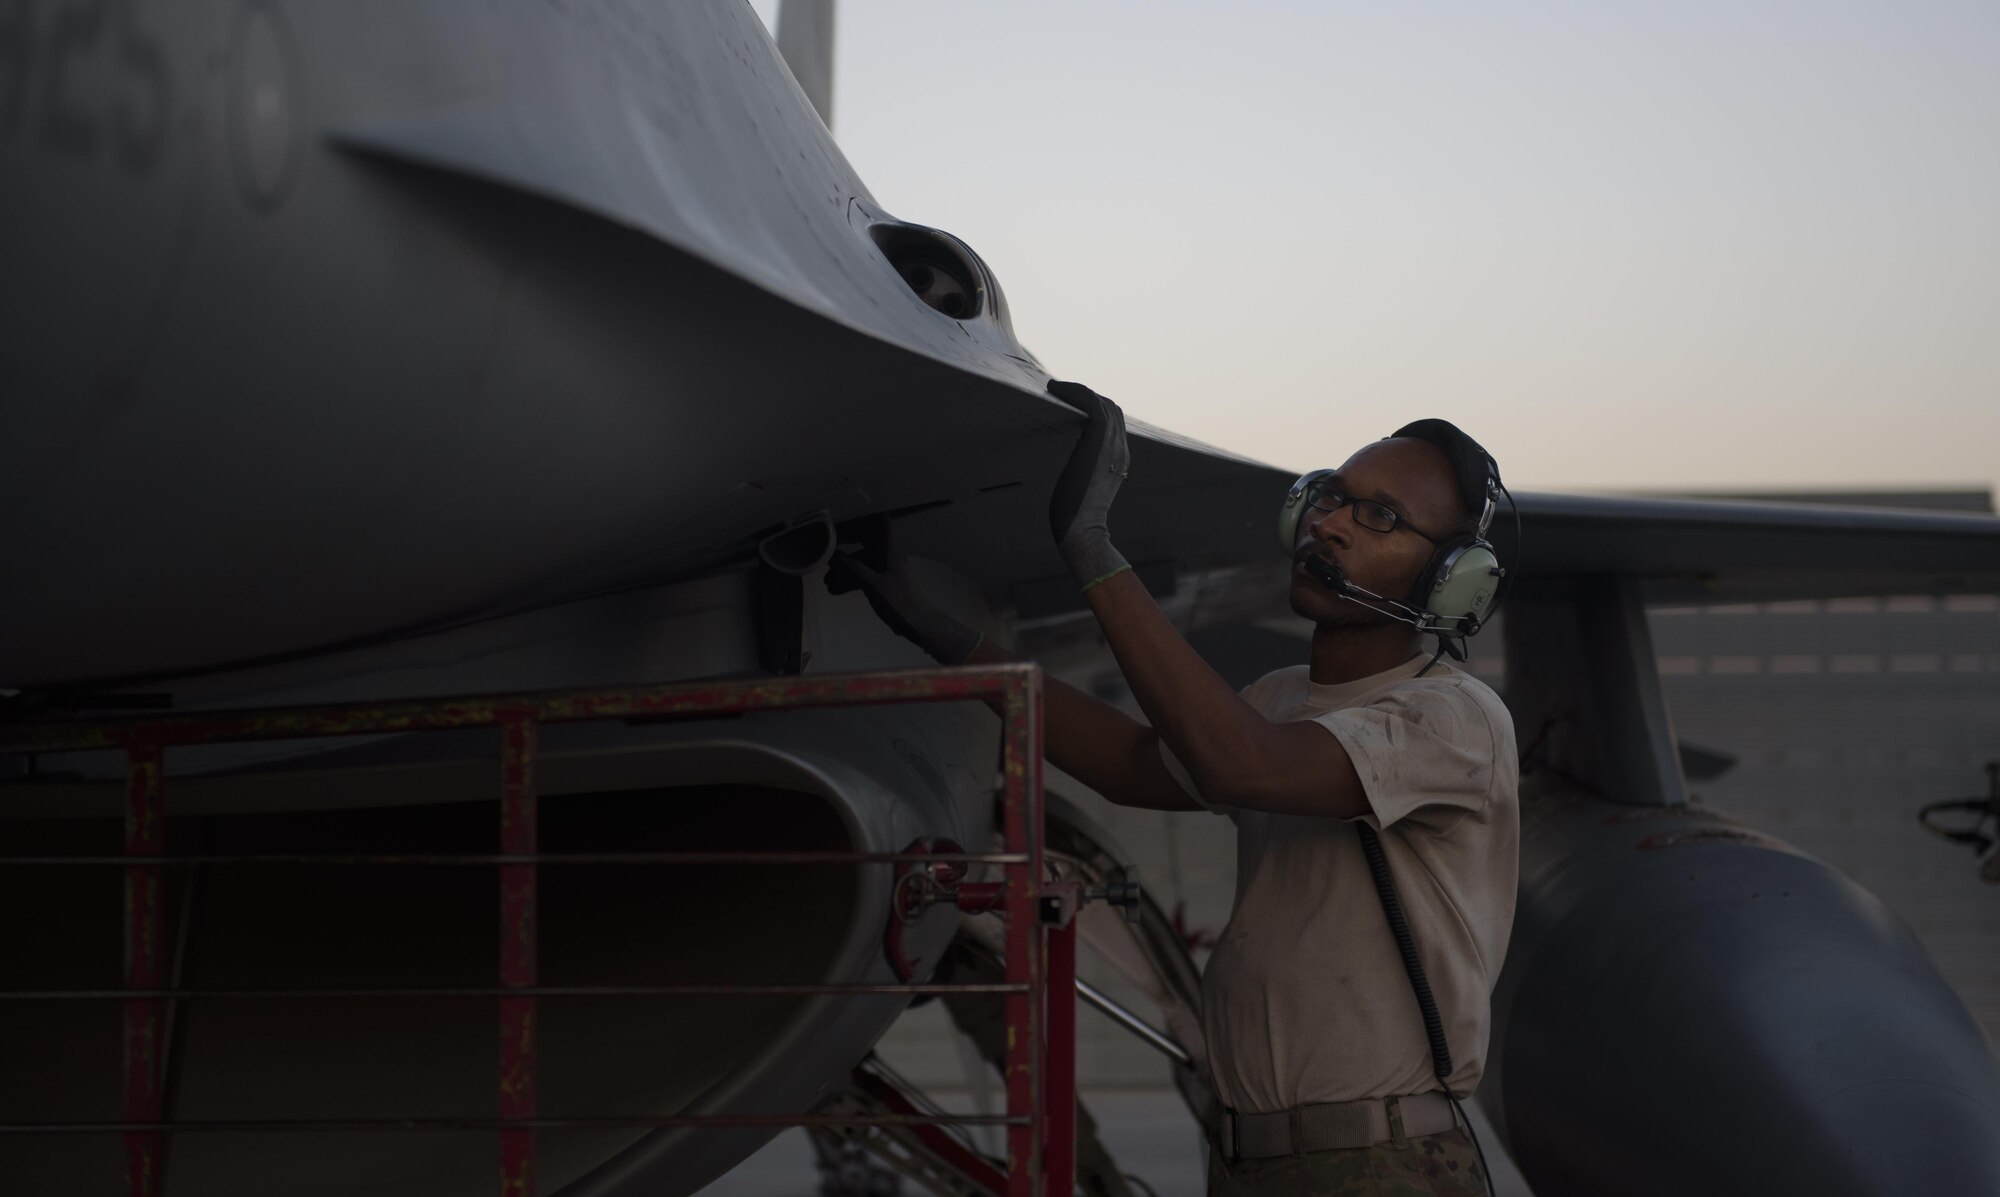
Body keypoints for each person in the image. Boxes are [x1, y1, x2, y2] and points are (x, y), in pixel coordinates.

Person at [830, 379, 1518, 1197]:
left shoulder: (1452, 719)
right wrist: (965, 647)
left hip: (1379, 1163)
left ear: (1449, 582)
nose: (1330, 523)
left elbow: (1242, 765)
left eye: (1379, 517)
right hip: (1252, 1156)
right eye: (1333, 497)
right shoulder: (1279, 699)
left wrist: (1095, 553)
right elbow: (1131, 765)